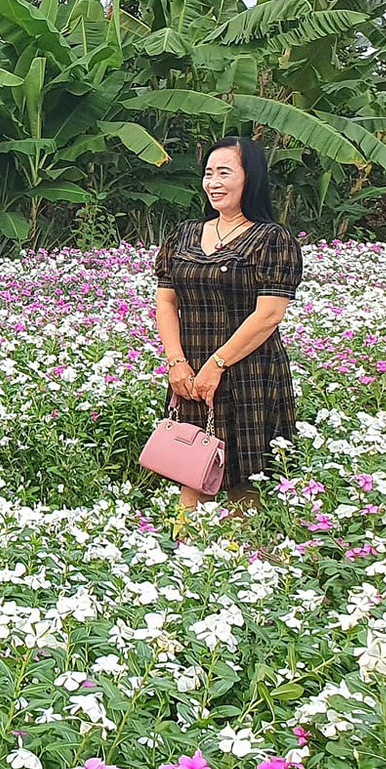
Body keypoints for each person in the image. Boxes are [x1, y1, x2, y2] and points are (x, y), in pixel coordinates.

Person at [153, 135, 303, 514]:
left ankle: (245, 567)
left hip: (249, 373)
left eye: (224, 173)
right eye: (208, 173)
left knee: (244, 488)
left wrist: (217, 365)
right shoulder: (184, 234)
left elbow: (269, 314)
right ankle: (184, 563)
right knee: (191, 478)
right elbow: (166, 301)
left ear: (250, 178)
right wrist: (176, 363)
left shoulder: (272, 239)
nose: (213, 183)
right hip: (191, 377)